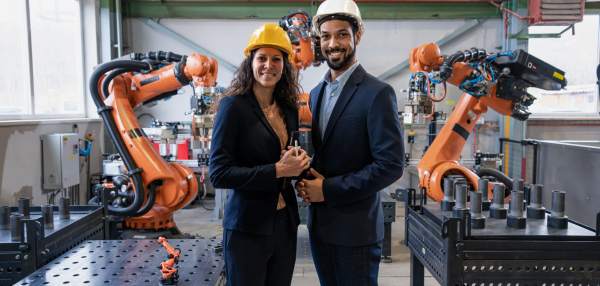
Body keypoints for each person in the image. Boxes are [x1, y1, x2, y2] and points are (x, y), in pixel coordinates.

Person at [295, 0, 405, 284]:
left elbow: (390, 166)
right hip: (320, 226)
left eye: (342, 34)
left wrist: (327, 190)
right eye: (326, 36)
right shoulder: (317, 93)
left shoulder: (377, 93)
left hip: (355, 232)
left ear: (357, 36)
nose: (333, 43)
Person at [209, 23, 311, 286]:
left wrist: (299, 164)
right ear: (250, 63)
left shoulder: (289, 109)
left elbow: (287, 157)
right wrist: (277, 170)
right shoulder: (233, 107)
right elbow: (219, 175)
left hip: (285, 222)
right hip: (247, 227)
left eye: (276, 59)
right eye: (262, 58)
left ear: (285, 65)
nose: (269, 65)